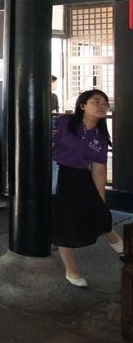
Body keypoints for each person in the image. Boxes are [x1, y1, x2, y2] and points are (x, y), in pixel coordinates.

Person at [52, 89, 122, 288]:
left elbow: (98, 170)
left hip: (81, 176)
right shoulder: (64, 122)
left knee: (99, 210)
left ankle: (113, 236)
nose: (102, 106)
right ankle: (71, 270)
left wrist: (102, 200)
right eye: (96, 101)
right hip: (57, 173)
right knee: (63, 223)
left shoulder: (100, 137)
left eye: (105, 103)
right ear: (82, 105)